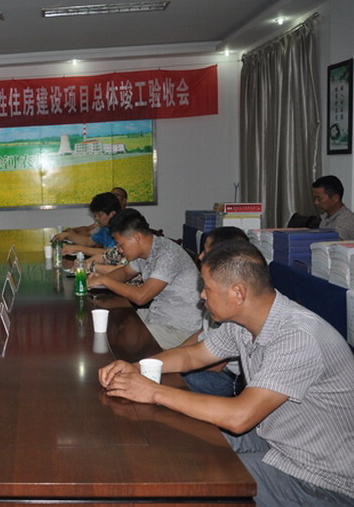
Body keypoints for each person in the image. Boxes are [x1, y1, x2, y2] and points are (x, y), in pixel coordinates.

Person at [98, 241, 354, 505]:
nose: (202, 295)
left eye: (207, 288)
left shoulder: (297, 337)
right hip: (277, 442)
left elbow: (239, 417)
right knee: (178, 446)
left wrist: (153, 392)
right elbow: (192, 356)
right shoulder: (244, 322)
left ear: (238, 293)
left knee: (189, 481)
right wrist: (138, 366)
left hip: (322, 479)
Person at [88, 209, 202, 349]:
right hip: (159, 314)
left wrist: (104, 281)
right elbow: (125, 273)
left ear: (136, 237)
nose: (120, 250)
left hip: (181, 327)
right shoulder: (144, 252)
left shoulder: (167, 254)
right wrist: (97, 281)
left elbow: (141, 297)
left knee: (124, 340)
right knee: (113, 321)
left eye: (121, 245)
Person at [181, 226, 250, 397]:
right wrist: (175, 352)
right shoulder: (216, 287)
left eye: (205, 251)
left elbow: (215, 365)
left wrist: (178, 363)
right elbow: (201, 332)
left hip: (224, 377)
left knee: (170, 378)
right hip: (205, 361)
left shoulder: (231, 300)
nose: (200, 256)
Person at [55, 192, 121, 257]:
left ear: (112, 214)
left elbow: (111, 252)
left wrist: (79, 248)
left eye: (99, 215)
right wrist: (67, 235)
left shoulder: (121, 229)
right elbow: (88, 242)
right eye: (95, 215)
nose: (96, 218)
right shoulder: (105, 229)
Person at [312, 175, 354, 239]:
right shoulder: (326, 216)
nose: (316, 202)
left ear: (335, 198)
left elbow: (332, 242)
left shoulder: (347, 221)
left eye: (319, 199)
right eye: (315, 198)